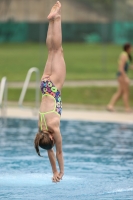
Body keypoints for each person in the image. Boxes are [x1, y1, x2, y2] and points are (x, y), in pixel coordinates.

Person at [34, 1, 66, 183]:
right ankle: (52, 21)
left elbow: (57, 152)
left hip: (54, 87)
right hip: (45, 85)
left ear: (52, 137)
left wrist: (61, 172)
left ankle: (57, 18)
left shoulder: (54, 129)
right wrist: (53, 171)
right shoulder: (41, 127)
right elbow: (49, 150)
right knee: (50, 52)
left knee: (58, 50)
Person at [107, 43, 132, 112]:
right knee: (126, 92)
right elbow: (121, 68)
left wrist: (131, 67)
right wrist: (125, 77)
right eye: (131, 48)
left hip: (121, 75)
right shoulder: (124, 55)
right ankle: (127, 108)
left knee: (120, 92)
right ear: (128, 48)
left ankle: (110, 105)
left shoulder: (125, 55)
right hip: (122, 75)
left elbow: (126, 66)